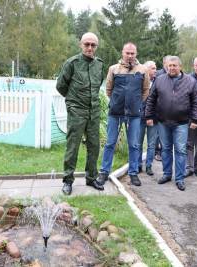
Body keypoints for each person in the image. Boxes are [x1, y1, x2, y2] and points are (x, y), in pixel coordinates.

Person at [56, 32, 105, 194]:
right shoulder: (72, 63)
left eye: (93, 45)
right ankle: (68, 180)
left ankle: (91, 178)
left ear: (96, 47)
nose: (90, 48)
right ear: (81, 45)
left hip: (94, 111)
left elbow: (97, 86)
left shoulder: (99, 64)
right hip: (77, 110)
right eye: (87, 44)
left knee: (94, 146)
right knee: (73, 146)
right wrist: (72, 102)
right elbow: (61, 86)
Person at [98, 42, 150, 186]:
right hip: (115, 113)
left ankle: (133, 173)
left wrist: (137, 103)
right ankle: (104, 172)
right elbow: (108, 89)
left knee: (134, 145)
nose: (130, 56)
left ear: (136, 54)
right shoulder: (113, 69)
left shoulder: (143, 70)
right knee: (110, 143)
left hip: (134, 114)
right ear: (122, 53)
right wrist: (117, 102)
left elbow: (146, 90)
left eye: (132, 53)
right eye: (127, 53)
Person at [145, 56, 197, 191]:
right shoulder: (159, 80)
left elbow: (196, 102)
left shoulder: (190, 81)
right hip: (163, 121)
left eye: (174, 65)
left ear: (180, 67)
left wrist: (195, 119)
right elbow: (151, 99)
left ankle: (180, 178)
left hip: (181, 123)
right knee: (166, 149)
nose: (171, 68)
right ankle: (167, 174)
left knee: (181, 150)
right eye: (169, 66)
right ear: (166, 66)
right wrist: (148, 115)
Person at [137, 60, 158, 176]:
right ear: (146, 69)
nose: (155, 70)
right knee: (138, 143)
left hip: (153, 118)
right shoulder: (139, 82)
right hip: (140, 117)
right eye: (153, 68)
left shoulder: (158, 82)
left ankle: (149, 166)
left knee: (151, 143)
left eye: (155, 68)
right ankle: (138, 165)